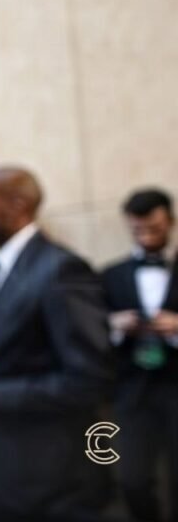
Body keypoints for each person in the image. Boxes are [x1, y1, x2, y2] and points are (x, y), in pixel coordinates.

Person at [0, 167, 113, 516]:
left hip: (56, 475)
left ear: (17, 205)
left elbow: (90, 381)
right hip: (5, 465)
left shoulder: (61, 270)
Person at [101, 188, 178, 522]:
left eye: (154, 228)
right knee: (131, 478)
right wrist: (115, 325)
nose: (146, 236)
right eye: (137, 230)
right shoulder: (110, 275)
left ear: (171, 222)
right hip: (131, 388)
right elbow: (89, 330)